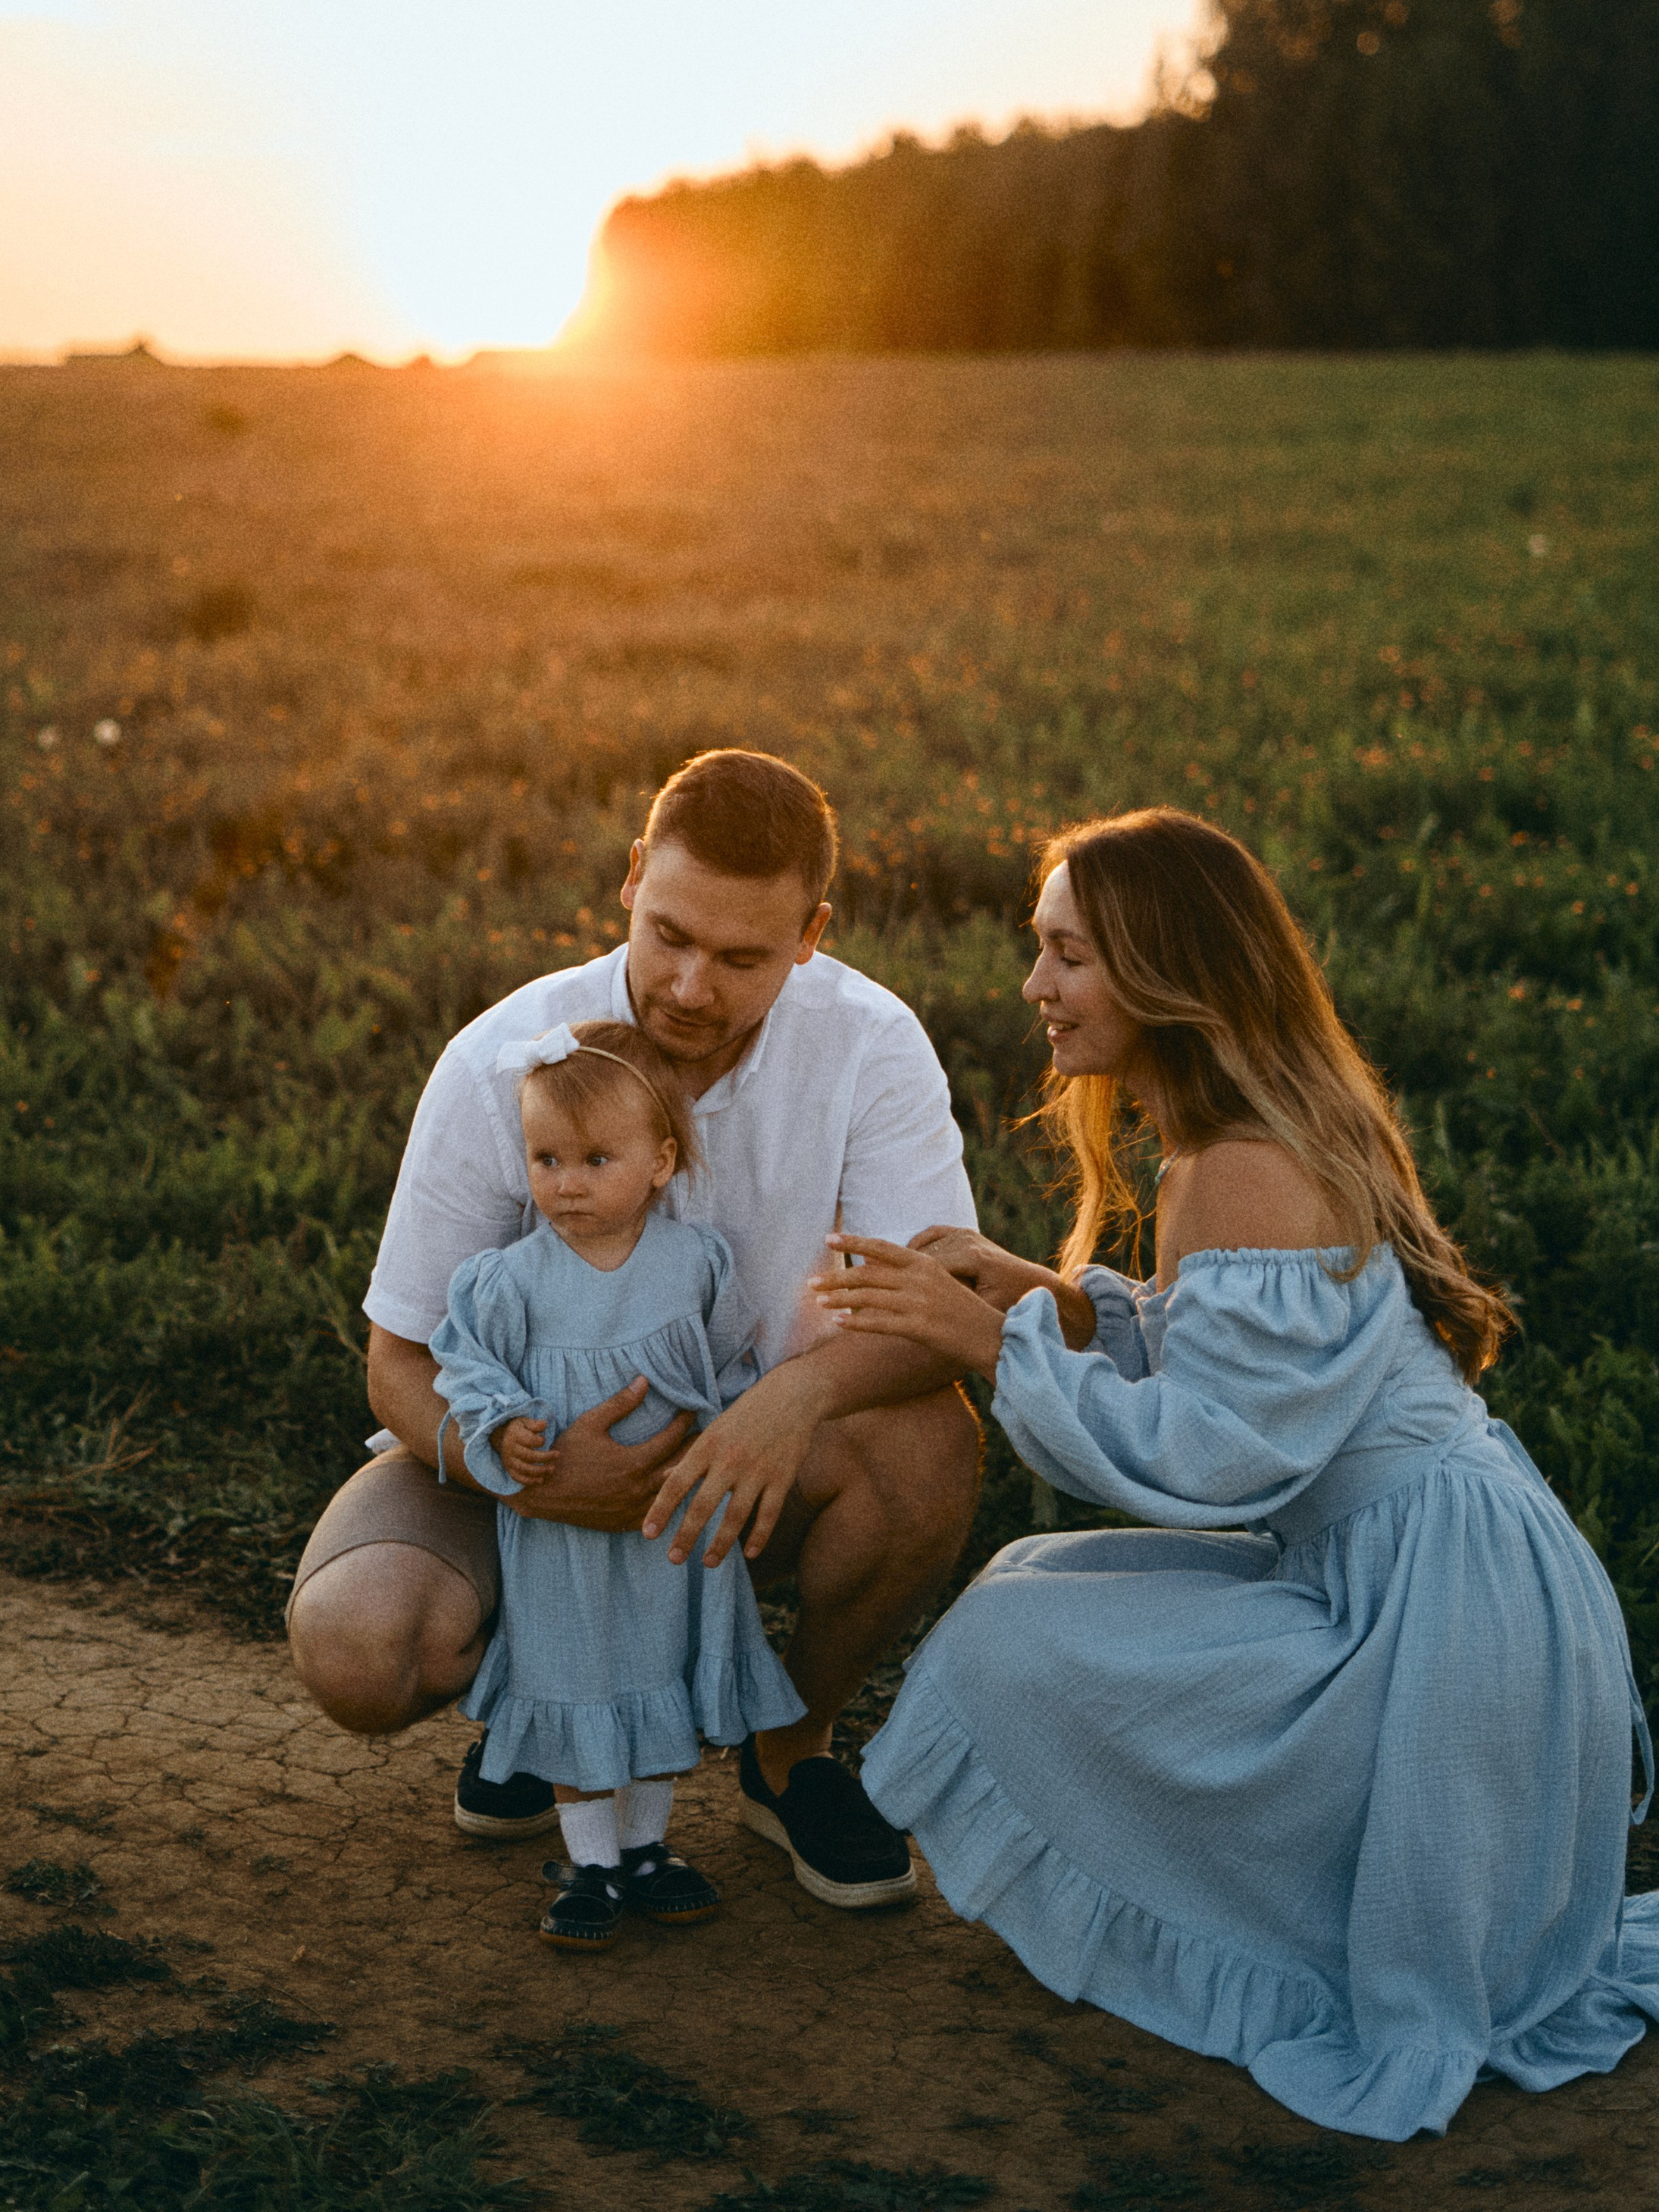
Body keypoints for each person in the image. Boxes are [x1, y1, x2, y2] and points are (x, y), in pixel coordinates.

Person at [810, 807, 1659, 2143]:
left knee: (1016, 1636)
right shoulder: (1248, 1133)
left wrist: (992, 1341)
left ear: (1168, 972)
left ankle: (1261, 1921)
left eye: (1068, 954)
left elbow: (1214, 1454)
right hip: (1430, 1565)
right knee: (1038, 1587)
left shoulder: (1241, 1165)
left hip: (1441, 1613)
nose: (1035, 986)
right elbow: (1242, 1365)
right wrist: (1045, 1296)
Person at [288, 747, 981, 1910]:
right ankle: (548, 1723)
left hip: (754, 1460)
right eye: (670, 934)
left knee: (930, 1449)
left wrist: (784, 1404)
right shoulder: (507, 1057)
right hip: (521, 1457)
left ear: (813, 932)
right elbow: (398, 1362)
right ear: (628, 881)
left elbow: (937, 1316)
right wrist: (540, 1479)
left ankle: (788, 1753)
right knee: (360, 1649)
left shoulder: (871, 1043)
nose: (692, 986)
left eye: (743, 955)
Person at [429, 1017, 805, 1947]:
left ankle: (645, 1847)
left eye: (597, 1157)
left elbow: (731, 1370)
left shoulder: (694, 1264)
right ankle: (589, 1862)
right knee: (576, 1677)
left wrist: (725, 1445)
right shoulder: (508, 1281)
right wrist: (506, 1429)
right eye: (546, 1157)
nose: (566, 1181)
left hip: (668, 1528)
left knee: (656, 1669)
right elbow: (464, 1367)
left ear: (660, 1161)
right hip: (563, 1532)